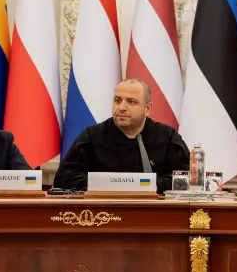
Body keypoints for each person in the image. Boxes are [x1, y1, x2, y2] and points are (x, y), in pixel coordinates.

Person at [54, 78, 189, 193]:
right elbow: (63, 177)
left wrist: (155, 185)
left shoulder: (167, 136)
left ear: (147, 109)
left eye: (131, 102)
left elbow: (186, 178)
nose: (121, 107)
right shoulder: (92, 136)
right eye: (118, 100)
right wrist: (104, 183)